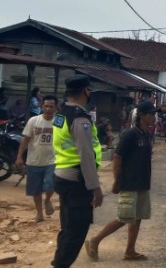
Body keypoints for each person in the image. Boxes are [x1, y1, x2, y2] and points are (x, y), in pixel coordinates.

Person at [85, 101, 156, 262]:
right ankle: (95, 240)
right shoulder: (130, 134)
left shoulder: (146, 134)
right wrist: (117, 180)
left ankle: (130, 250)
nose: (153, 117)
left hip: (142, 183)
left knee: (137, 217)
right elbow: (117, 157)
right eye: (151, 114)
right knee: (124, 217)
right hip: (129, 182)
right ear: (142, 116)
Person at [51, 75, 104, 268]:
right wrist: (95, 188)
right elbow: (86, 156)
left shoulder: (60, 113)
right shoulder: (80, 118)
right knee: (76, 232)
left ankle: (58, 262)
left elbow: (59, 142)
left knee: (67, 228)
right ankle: (60, 264)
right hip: (76, 180)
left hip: (61, 175)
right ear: (85, 91)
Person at [15, 95, 58, 222]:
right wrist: (19, 156)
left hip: (53, 159)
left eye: (51, 106)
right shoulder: (34, 121)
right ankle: (39, 213)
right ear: (42, 106)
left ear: (56, 107)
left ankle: (48, 200)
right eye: (46, 106)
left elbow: (66, 139)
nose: (49, 109)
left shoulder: (59, 121)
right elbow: (25, 140)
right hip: (34, 160)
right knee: (35, 189)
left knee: (51, 184)